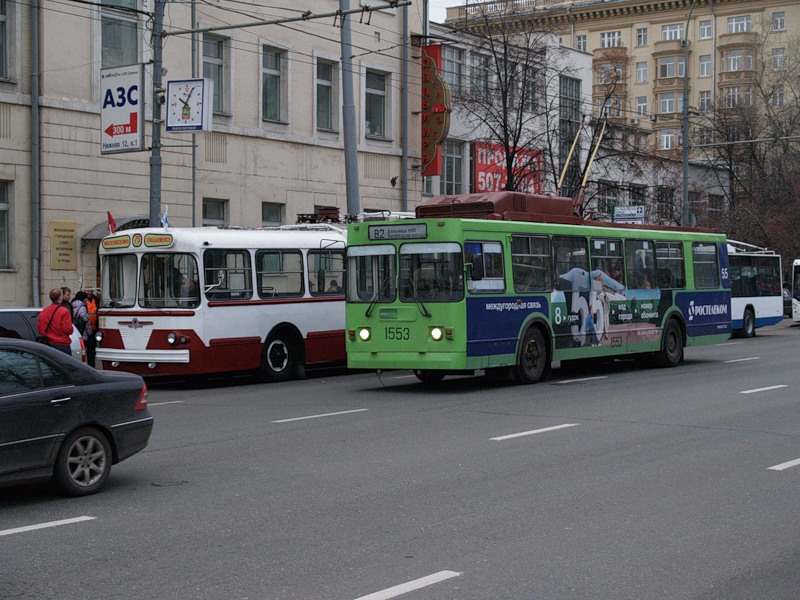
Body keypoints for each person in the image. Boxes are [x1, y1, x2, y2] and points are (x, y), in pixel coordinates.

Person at [38, 288, 74, 355]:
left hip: (48, 344)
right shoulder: (64, 311)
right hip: (62, 344)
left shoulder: (43, 312)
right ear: (60, 297)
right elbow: (68, 329)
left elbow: (40, 330)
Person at [84, 287, 99, 367]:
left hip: (93, 329)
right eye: (87, 291)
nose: (89, 293)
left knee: (91, 350)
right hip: (84, 329)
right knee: (83, 349)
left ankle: (91, 366)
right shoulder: (82, 301)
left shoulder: (96, 300)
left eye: (90, 291)